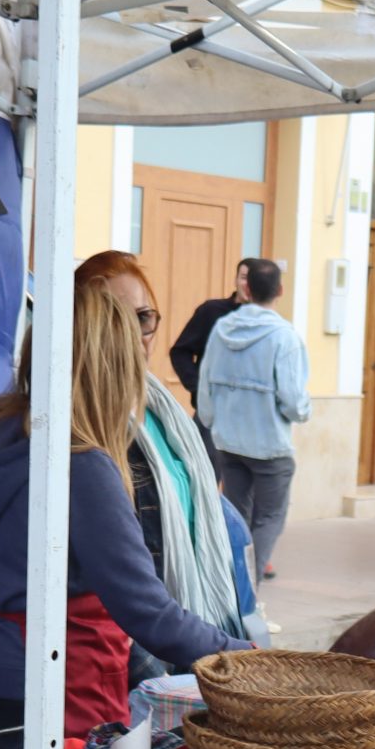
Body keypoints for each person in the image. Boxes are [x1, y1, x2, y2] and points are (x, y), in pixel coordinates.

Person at [0, 281, 252, 749]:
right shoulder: (79, 464)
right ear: (116, 369)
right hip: (59, 683)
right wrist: (245, 657)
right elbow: (147, 611)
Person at [72, 252, 256, 678]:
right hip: (148, 657)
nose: (135, 335)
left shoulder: (161, 408)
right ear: (85, 326)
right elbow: (131, 595)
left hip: (195, 635)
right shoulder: (87, 426)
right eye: (116, 320)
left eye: (143, 317)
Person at [196, 258, 311, 580]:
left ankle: (233, 587)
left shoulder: (222, 330)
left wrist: (211, 421)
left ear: (246, 289)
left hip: (229, 442)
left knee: (238, 517)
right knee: (270, 518)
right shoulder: (284, 337)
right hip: (270, 446)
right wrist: (303, 412)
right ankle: (251, 587)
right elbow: (294, 401)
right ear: (280, 290)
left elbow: (205, 384)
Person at [167, 258, 257, 406]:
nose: (248, 284)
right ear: (235, 280)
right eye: (244, 278)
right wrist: (198, 387)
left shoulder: (267, 322)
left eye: (254, 279)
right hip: (211, 411)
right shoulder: (211, 311)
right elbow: (180, 352)